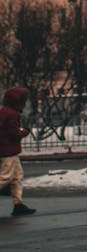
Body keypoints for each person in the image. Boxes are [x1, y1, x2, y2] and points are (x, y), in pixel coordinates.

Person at [1, 86, 36, 217]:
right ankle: (18, 204)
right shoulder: (12, 114)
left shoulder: (4, 111)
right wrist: (25, 132)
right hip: (8, 150)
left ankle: (18, 204)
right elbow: (13, 133)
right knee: (6, 177)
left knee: (17, 177)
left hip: (7, 149)